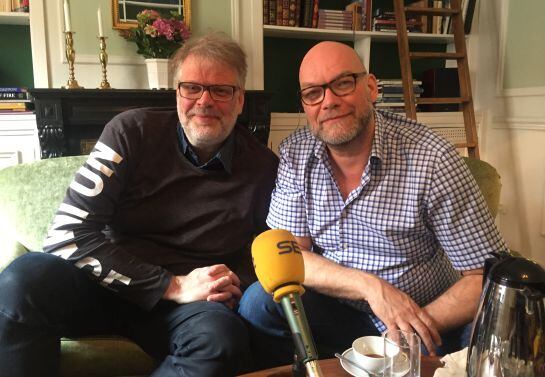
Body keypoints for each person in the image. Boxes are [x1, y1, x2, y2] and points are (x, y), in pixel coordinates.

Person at [0, 33, 278, 377]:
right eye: (191, 87)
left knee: (222, 340)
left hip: (189, 307)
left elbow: (264, 253)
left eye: (221, 90)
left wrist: (231, 281)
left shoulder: (265, 167)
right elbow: (67, 234)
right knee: (21, 281)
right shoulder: (132, 131)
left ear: (240, 101)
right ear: (176, 93)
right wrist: (170, 285)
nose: (204, 101)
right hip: (108, 285)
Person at [238, 41, 507, 368]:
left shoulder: (431, 157)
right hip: (338, 312)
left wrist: (411, 325)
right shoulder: (296, 152)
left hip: (423, 317)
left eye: (342, 83)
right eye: (313, 93)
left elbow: (486, 274)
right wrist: (369, 287)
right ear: (305, 104)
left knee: (499, 327)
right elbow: (289, 254)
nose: (329, 102)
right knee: (258, 304)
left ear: (370, 87)